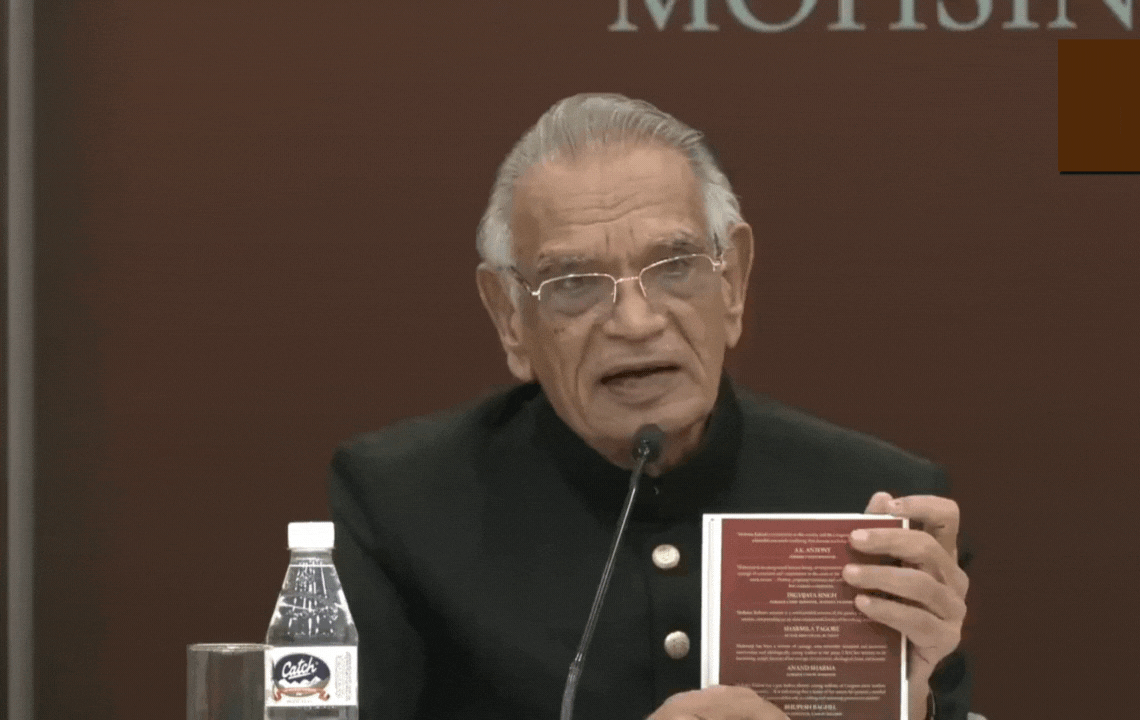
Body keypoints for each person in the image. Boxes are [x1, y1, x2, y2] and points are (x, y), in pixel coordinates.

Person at [328, 93, 972, 720]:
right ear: (510, 318)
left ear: (733, 280)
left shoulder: (870, 503)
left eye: (675, 266)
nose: (635, 323)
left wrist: (913, 705)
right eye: (574, 283)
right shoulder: (405, 503)